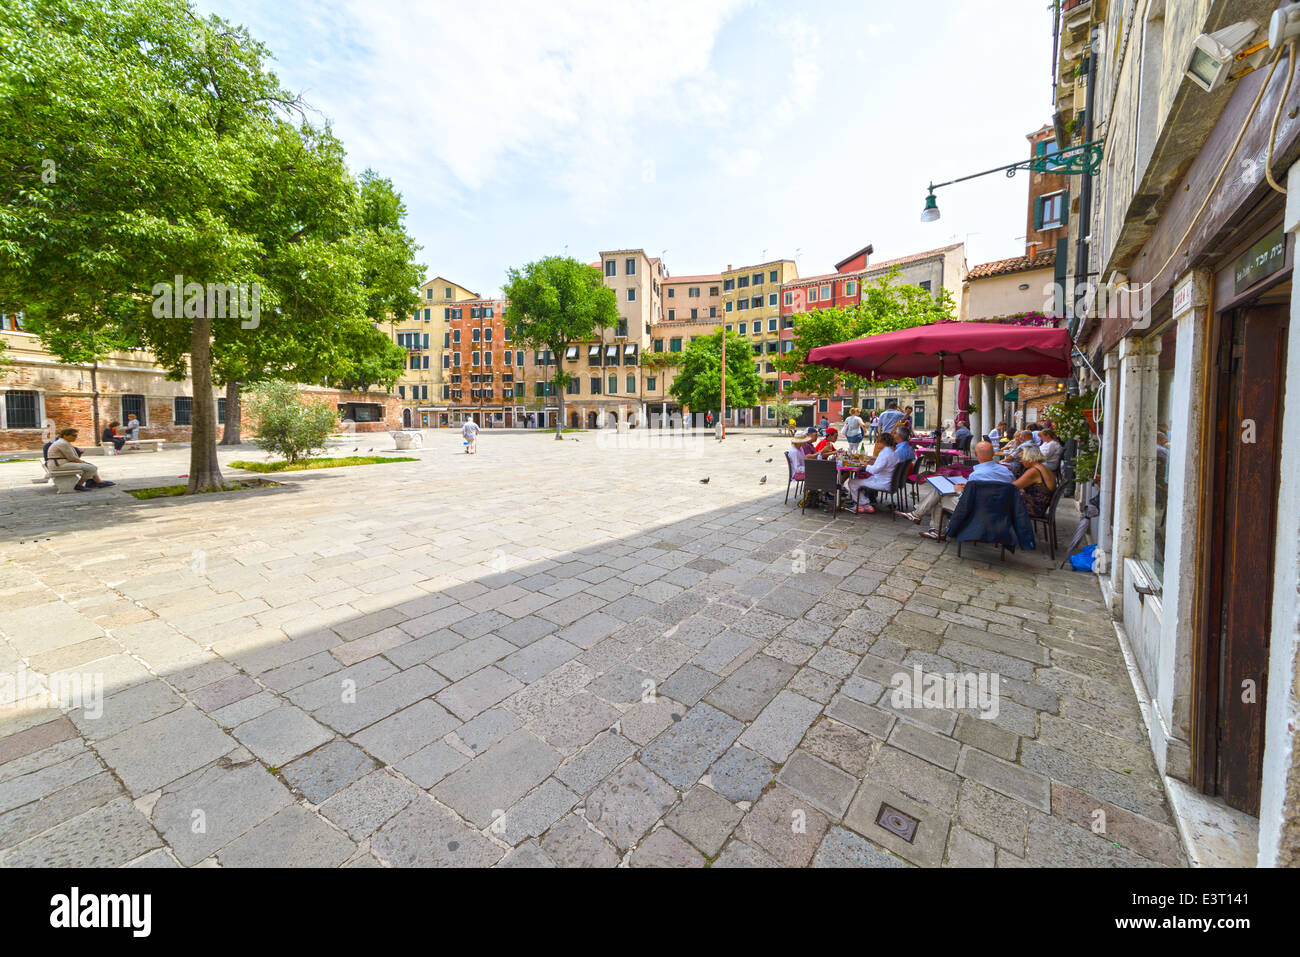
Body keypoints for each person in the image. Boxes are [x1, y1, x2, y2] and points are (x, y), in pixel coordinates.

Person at [845, 432, 900, 514]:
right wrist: (872, 462)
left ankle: (864, 504)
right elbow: (882, 465)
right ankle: (864, 502)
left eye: (878, 442)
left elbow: (875, 470)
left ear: (883, 443)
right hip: (889, 481)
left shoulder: (884, 453)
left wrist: (865, 465)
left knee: (852, 482)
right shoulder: (892, 453)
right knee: (860, 479)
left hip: (883, 482)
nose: (876, 444)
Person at [45, 428, 115, 491]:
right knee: (92, 468)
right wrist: (83, 462)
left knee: (89, 466)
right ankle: (79, 485)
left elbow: (73, 457)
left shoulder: (63, 442)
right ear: (65, 435)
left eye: (76, 436)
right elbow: (72, 458)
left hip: (59, 464)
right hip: (59, 465)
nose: (76, 437)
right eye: (73, 436)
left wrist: (82, 462)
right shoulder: (62, 443)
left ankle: (95, 482)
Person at [1013, 444, 1057, 518]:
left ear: (1028, 457)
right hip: (1040, 506)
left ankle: (1009, 528)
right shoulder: (1043, 467)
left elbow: (1012, 486)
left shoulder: (1034, 471)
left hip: (1034, 509)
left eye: (1021, 458)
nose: (1020, 461)